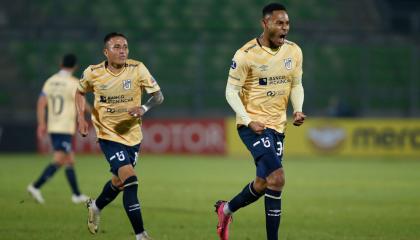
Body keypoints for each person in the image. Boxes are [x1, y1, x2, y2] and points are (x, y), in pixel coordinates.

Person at [215, 3, 306, 240]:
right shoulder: (245, 54)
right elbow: (230, 92)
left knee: (263, 183)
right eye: (279, 23)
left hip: (277, 126)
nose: (285, 28)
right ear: (265, 24)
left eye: (287, 23)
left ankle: (226, 210)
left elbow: (295, 84)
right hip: (252, 126)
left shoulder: (294, 51)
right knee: (278, 178)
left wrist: (297, 109)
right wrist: (247, 120)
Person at [75, 32, 164, 240]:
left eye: (125, 46)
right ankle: (141, 235)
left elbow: (158, 96)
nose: (122, 50)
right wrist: (80, 118)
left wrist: (143, 108)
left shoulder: (137, 68)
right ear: (106, 52)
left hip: (132, 136)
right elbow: (79, 92)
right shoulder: (93, 72)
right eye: (116, 47)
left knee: (119, 182)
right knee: (131, 180)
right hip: (107, 134)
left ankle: (96, 206)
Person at [27, 54, 89, 204]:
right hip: (65, 127)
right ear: (75, 67)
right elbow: (82, 105)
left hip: (53, 125)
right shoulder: (74, 83)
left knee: (69, 160)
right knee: (60, 159)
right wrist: (95, 113)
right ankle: (35, 186)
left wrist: (41, 123)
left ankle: (76, 194)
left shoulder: (50, 81)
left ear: (61, 63)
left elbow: (41, 103)